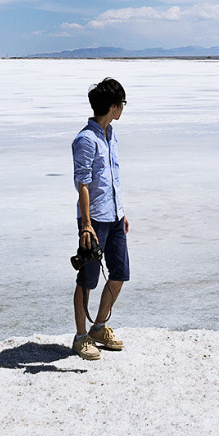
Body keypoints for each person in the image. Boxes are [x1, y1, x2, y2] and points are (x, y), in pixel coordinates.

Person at [71, 77, 131, 360]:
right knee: (87, 280)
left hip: (115, 217)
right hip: (94, 221)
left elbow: (112, 179)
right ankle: (81, 337)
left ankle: (99, 327)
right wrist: (86, 225)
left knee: (119, 274)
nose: (123, 108)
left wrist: (122, 212)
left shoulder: (111, 134)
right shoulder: (85, 140)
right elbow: (82, 184)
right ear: (112, 106)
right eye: (122, 103)